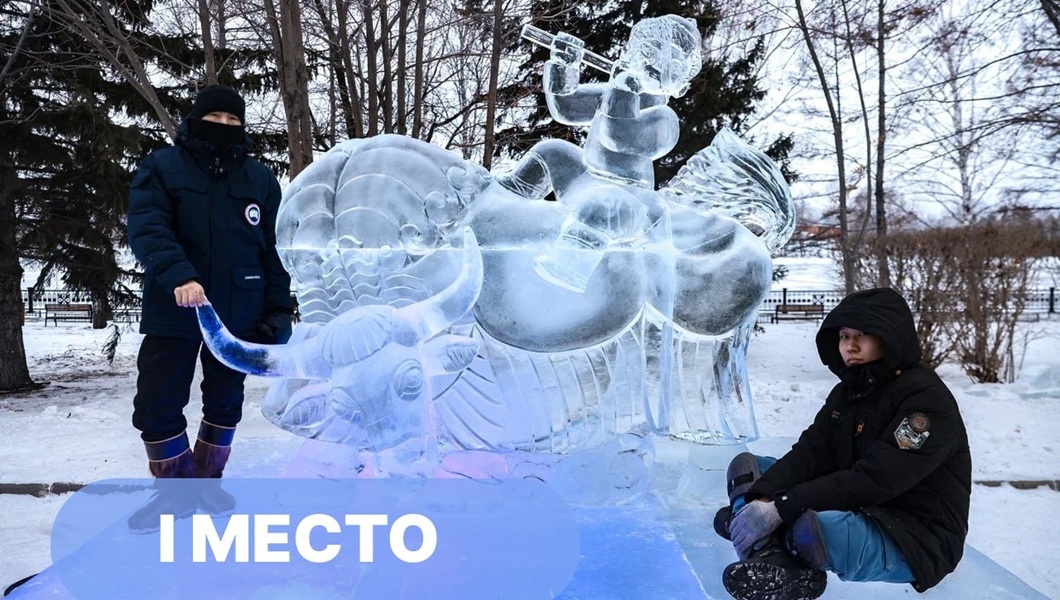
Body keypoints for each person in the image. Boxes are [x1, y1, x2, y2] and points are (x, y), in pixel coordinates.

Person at [713, 287, 971, 599]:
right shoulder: (849, 392)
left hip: (914, 533)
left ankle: (767, 545)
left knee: (808, 530)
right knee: (749, 470)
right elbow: (809, 453)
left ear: (890, 337)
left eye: (862, 334)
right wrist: (763, 498)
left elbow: (876, 479)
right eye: (844, 336)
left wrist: (780, 508)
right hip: (860, 504)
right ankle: (773, 555)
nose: (851, 345)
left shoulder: (926, 403)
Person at [126, 83, 293, 484]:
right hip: (176, 306)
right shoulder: (162, 167)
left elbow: (276, 250)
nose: (223, 124)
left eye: (233, 119)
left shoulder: (260, 179)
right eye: (214, 116)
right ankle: (175, 490)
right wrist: (181, 276)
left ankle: (208, 481)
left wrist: (278, 310)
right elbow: (149, 227)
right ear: (196, 118)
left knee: (225, 402)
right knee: (156, 403)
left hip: (239, 309)